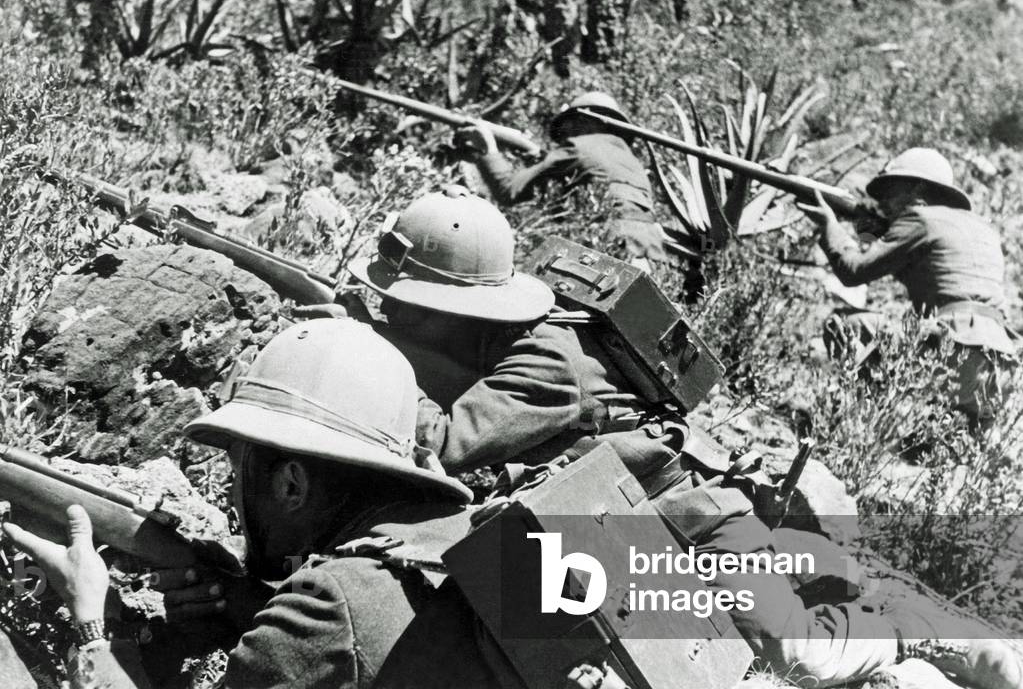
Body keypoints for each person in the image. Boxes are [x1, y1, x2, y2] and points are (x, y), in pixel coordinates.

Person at [339, 186, 1022, 689]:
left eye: (404, 305)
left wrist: (363, 350)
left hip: (698, 527)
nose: (394, 312)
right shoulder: (518, 339)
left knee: (797, 658)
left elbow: (441, 446)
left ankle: (901, 625)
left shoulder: (549, 360)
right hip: (628, 539)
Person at [0, 319, 521, 689]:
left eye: (236, 469)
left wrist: (98, 621)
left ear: (292, 484)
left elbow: (348, 631)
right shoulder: (502, 534)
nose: (230, 492)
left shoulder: (328, 605)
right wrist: (249, 606)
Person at [798, 148, 1016, 428]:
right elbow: (930, 273)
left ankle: (860, 425)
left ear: (918, 188)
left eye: (891, 192)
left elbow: (853, 272)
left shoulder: (920, 220)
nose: (884, 203)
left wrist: (830, 225)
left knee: (844, 324)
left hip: (953, 353)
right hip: (998, 369)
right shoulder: (982, 229)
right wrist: (869, 230)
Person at [459, 91, 670, 269]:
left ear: (584, 122)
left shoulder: (577, 148)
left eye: (568, 124)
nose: (563, 134)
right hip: (650, 251)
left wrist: (488, 148)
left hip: (602, 247)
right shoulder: (632, 163)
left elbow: (508, 190)